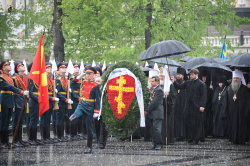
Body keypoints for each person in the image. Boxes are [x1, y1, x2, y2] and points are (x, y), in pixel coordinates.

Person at [65, 66, 101, 153]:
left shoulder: (96, 86)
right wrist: (76, 79)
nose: (87, 75)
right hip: (82, 103)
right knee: (76, 113)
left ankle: (89, 147)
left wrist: (96, 111)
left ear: (93, 75)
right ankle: (69, 120)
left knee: (89, 126)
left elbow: (98, 100)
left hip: (90, 106)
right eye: (86, 74)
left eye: (89, 74)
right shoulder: (82, 82)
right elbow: (72, 86)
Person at [171, 69, 207, 145]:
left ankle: (196, 139)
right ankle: (191, 138)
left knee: (196, 124)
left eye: (192, 75)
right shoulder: (188, 83)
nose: (190, 76)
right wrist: (173, 81)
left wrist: (202, 106)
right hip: (188, 106)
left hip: (197, 106)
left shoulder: (201, 84)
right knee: (189, 123)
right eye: (190, 75)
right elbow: (179, 86)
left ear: (196, 75)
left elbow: (203, 96)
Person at [0, 60, 29, 149]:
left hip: (10, 100)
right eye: (7, 65)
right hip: (4, 100)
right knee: (3, 123)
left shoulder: (9, 78)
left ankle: (7, 142)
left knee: (7, 122)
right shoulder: (1, 77)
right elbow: (9, 87)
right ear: (3, 68)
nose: (9, 66)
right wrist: (21, 92)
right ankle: (2, 142)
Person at [221, 70, 250, 144]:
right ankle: (233, 139)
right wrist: (225, 111)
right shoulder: (229, 89)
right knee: (232, 125)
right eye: (234, 78)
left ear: (240, 79)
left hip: (242, 112)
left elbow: (247, 102)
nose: (235, 79)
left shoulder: (245, 89)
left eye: (237, 78)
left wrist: (246, 112)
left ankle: (241, 140)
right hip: (232, 111)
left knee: (241, 126)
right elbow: (225, 101)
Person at [39, 62, 59, 144]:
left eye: (50, 68)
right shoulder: (43, 79)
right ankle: (43, 137)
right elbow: (42, 93)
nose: (49, 69)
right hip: (45, 100)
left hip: (50, 101)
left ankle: (47, 137)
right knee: (44, 119)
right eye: (47, 68)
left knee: (48, 119)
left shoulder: (51, 79)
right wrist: (52, 98)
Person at [12, 62, 29, 147]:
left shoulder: (26, 78)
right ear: (17, 69)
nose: (23, 67)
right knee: (16, 121)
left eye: (23, 65)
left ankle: (20, 139)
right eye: (20, 66)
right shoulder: (14, 78)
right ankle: (15, 140)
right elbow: (13, 91)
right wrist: (14, 104)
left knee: (21, 121)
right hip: (17, 100)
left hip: (24, 101)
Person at [55, 62, 74, 142]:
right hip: (61, 101)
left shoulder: (66, 79)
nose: (64, 69)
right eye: (62, 68)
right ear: (59, 70)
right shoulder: (58, 80)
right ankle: (59, 136)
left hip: (65, 102)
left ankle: (62, 135)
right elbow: (57, 93)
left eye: (65, 68)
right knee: (60, 118)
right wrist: (66, 100)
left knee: (64, 118)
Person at [145, 76, 164, 150]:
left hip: (157, 113)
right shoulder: (153, 89)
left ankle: (159, 143)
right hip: (152, 113)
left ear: (157, 82)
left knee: (157, 129)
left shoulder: (159, 90)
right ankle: (155, 144)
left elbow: (154, 102)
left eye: (153, 81)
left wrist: (147, 110)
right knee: (152, 130)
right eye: (151, 81)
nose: (151, 82)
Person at [173, 67, 187, 141]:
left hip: (183, 105)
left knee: (182, 121)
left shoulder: (185, 84)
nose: (178, 76)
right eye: (177, 74)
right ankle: (176, 134)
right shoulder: (174, 84)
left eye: (180, 75)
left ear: (183, 76)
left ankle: (182, 135)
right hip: (176, 105)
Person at [70, 62, 82, 141]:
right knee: (74, 116)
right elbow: (72, 90)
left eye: (78, 67)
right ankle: (72, 134)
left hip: (81, 98)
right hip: (75, 99)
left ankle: (77, 133)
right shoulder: (72, 78)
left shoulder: (81, 78)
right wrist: (78, 98)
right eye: (75, 68)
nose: (77, 69)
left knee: (79, 117)